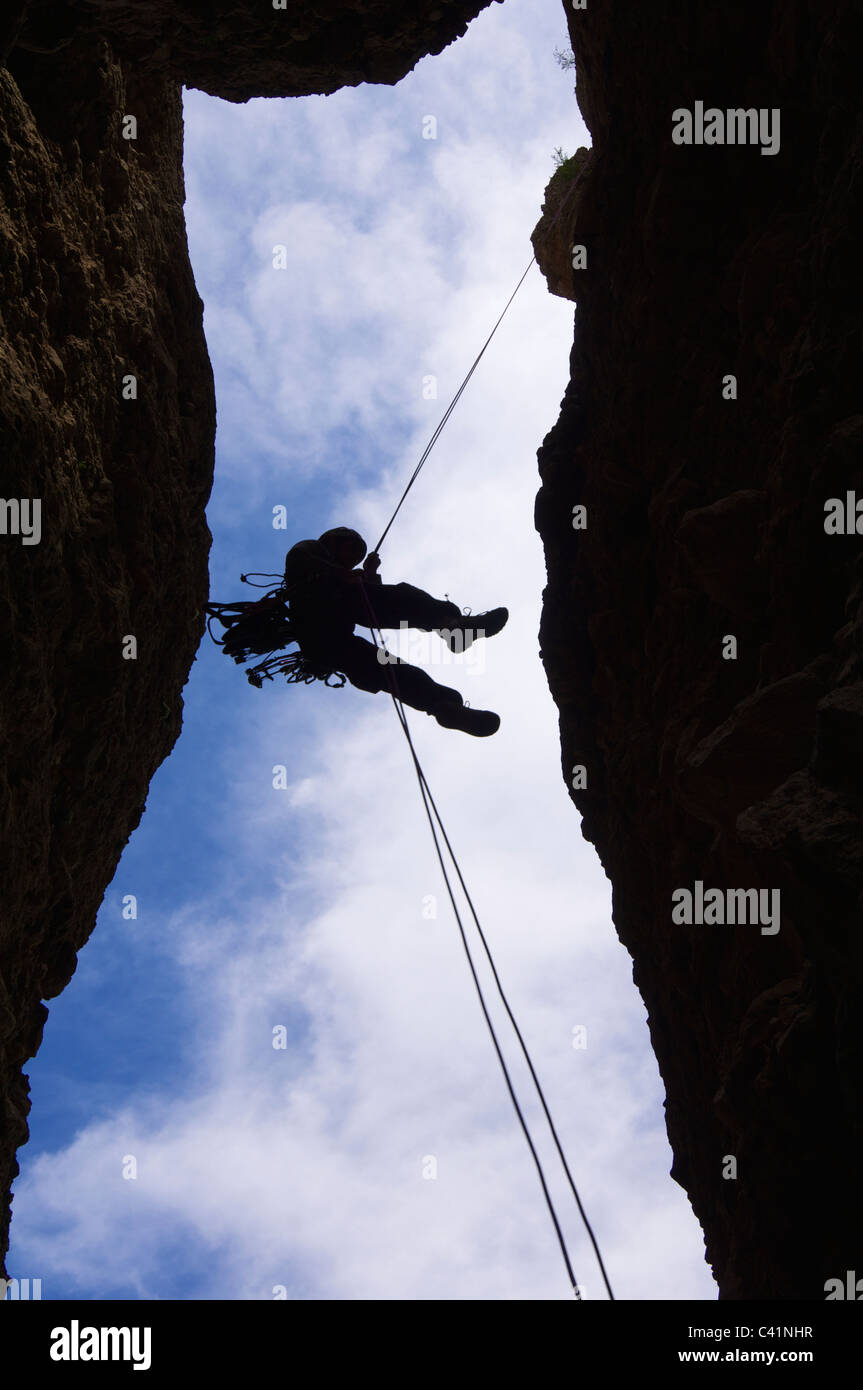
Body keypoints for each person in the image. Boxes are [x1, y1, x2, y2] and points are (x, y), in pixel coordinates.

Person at [283, 527, 507, 736]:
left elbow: (377, 604)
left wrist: (370, 575)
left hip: (323, 641)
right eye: (352, 552)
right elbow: (300, 559)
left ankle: (444, 705)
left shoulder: (342, 577)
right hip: (322, 610)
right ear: (334, 541)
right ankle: (452, 626)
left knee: (389, 671)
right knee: (404, 597)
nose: (353, 561)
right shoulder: (313, 549)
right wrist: (344, 576)